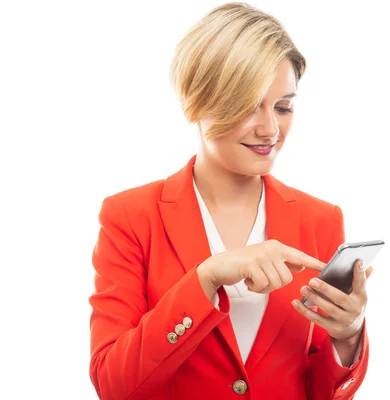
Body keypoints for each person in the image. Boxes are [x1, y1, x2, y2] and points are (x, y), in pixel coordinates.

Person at [89, 3, 374, 399]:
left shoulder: (320, 220)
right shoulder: (131, 217)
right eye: (248, 106)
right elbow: (112, 384)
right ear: (199, 100)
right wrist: (205, 278)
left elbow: (319, 389)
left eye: (283, 107)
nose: (270, 129)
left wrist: (347, 335)